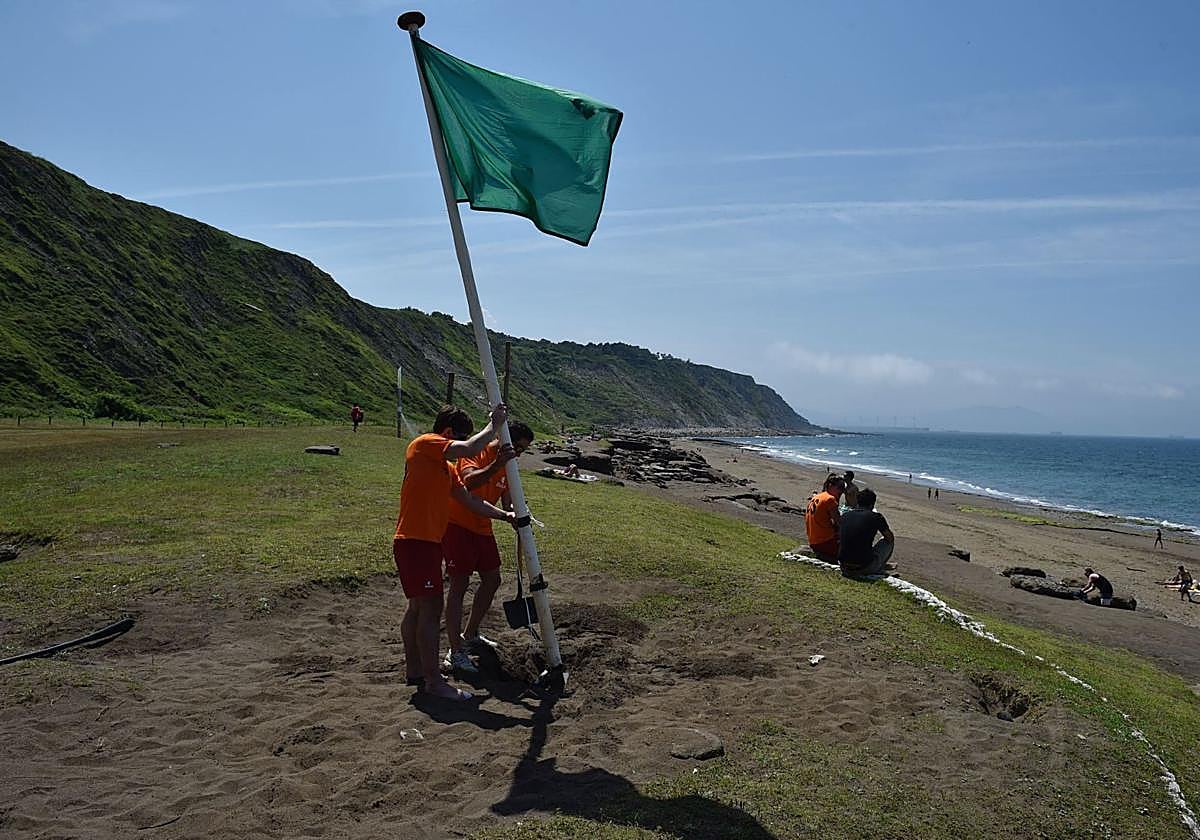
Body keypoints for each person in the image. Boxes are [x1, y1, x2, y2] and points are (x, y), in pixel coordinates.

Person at [393, 404, 517, 701]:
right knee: (431, 609)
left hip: (425, 542)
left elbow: (469, 500)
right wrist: (495, 425)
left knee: (418, 608)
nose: (461, 442)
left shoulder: (444, 468)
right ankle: (434, 681)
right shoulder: (425, 444)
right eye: (459, 436)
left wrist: (504, 516)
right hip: (415, 540)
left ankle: (416, 672)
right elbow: (471, 447)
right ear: (448, 433)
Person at [442, 421, 535, 674]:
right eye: (516, 447)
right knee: (459, 585)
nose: (518, 453)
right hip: (458, 525)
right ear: (503, 439)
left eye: (523, 450)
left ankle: (470, 633)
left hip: (483, 526)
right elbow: (469, 483)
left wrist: (516, 513)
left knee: (492, 579)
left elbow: (507, 499)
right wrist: (496, 464)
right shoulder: (477, 452)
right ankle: (455, 649)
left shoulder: (509, 464)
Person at [837, 488, 896, 578]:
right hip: (863, 567)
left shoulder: (846, 515)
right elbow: (890, 538)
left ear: (858, 502)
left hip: (843, 565)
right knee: (887, 541)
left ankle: (877, 565)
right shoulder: (876, 517)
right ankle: (878, 567)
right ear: (872, 504)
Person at [804, 474, 845, 562]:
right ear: (830, 486)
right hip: (825, 541)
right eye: (840, 487)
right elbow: (839, 522)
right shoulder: (830, 499)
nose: (842, 491)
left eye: (843, 488)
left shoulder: (817, 497)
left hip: (813, 539)